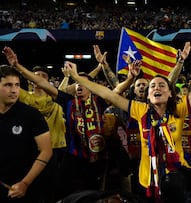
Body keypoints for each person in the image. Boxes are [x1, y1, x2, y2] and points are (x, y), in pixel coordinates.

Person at [65, 42, 191, 203]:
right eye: (153, 85)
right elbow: (108, 94)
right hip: (147, 180)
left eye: (162, 85)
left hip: (176, 177)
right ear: (148, 95)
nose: (156, 87)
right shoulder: (140, 110)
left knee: (172, 185)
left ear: (170, 93)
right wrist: (77, 78)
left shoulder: (179, 109)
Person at [3, 46, 112, 198]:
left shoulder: (89, 101)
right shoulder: (27, 97)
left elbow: (101, 87)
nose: (80, 86)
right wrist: (17, 66)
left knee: (89, 194)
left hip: (65, 150)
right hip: (36, 150)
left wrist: (102, 67)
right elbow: (23, 84)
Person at [0, 65, 52, 203]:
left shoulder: (31, 115)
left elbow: (46, 151)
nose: (14, 90)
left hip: (24, 188)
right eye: (8, 85)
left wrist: (25, 183)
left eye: (17, 85)